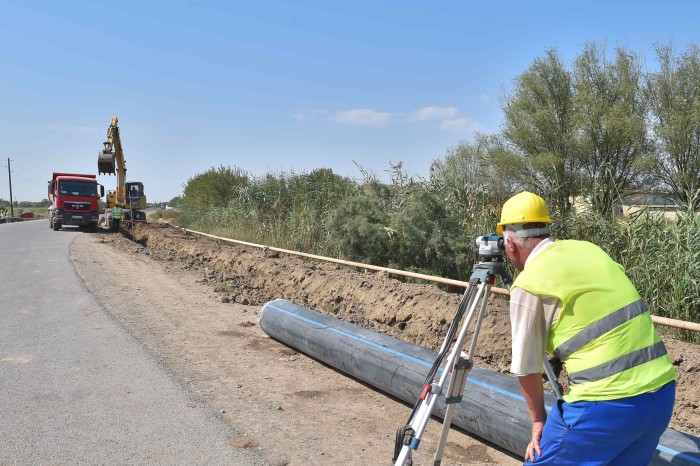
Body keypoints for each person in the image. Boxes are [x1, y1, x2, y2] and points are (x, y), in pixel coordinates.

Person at [497, 191, 676, 465]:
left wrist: (538, 422)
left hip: (606, 406)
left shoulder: (529, 283)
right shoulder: (587, 249)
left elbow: (527, 368)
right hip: (661, 396)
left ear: (510, 244)